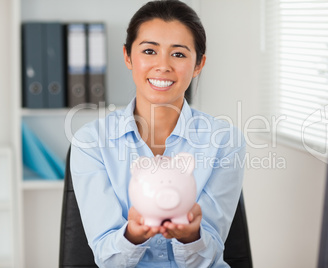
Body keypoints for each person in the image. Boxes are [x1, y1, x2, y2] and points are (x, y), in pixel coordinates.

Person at [70, 0, 246, 267]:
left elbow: (209, 257)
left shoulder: (225, 141)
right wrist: (133, 236)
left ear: (198, 64)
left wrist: (191, 237)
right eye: (149, 51)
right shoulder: (91, 141)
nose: (163, 66)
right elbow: (107, 258)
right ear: (128, 56)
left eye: (178, 54)